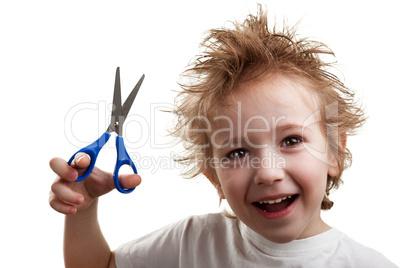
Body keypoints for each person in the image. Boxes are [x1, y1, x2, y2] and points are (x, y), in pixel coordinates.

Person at [49, 5, 397, 268]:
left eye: (291, 140)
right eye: (237, 152)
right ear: (214, 178)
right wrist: (83, 210)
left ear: (334, 153)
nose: (267, 172)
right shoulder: (194, 243)